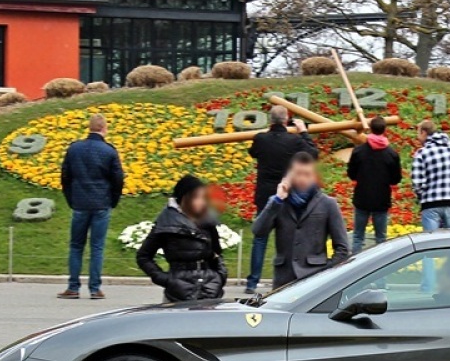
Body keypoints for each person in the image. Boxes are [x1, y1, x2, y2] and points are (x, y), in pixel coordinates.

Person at [246, 105, 319, 293]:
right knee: (287, 238)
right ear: (286, 120)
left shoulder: (261, 139)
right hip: (286, 193)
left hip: (263, 194)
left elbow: (252, 152)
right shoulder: (293, 141)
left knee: (260, 238)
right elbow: (313, 154)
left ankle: (252, 282)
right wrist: (303, 132)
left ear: (271, 120)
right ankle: (289, 280)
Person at [251, 152, 350, 289]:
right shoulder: (279, 203)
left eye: (307, 174)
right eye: (298, 173)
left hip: (315, 281)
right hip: (283, 281)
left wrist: (326, 273)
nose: (302, 179)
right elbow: (258, 231)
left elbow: (342, 248)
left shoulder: (327, 204)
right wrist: (277, 200)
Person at [58, 113, 124, 300]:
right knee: (97, 247)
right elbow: (118, 178)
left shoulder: (74, 149)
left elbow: (65, 176)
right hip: (101, 202)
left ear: (89, 127)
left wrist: (70, 198)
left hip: (79, 202)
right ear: (104, 129)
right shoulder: (109, 151)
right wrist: (113, 199)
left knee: (76, 245)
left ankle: (73, 287)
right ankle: (95, 288)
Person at [135, 174, 228, 302]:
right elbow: (143, 256)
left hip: (210, 292)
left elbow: (217, 253)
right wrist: (167, 280)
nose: (202, 202)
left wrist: (220, 275)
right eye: (196, 197)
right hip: (178, 295)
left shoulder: (207, 220)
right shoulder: (166, 222)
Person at [410, 120, 450, 292]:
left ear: (424, 133)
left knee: (428, 248)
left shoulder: (422, 154)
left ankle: (428, 286)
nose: (416, 136)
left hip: (431, 205)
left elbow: (417, 183)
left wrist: (423, 195)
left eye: (418, 132)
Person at [346, 116, 402, 252]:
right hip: (381, 201)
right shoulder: (391, 154)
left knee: (358, 237)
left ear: (370, 129)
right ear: (384, 130)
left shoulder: (359, 151)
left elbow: (351, 174)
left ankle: (355, 268)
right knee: (381, 239)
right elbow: (396, 179)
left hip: (362, 199)